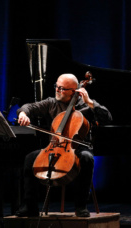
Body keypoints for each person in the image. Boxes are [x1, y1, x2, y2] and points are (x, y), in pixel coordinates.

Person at [15, 74, 112, 217]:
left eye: (62, 89)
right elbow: (29, 106)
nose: (57, 90)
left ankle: (81, 206)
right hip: (54, 147)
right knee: (30, 158)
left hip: (79, 148)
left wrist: (90, 102)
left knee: (86, 158)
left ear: (74, 91)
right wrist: (23, 113)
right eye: (57, 86)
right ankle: (29, 206)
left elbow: (107, 117)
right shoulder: (51, 103)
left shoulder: (85, 105)